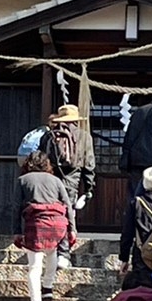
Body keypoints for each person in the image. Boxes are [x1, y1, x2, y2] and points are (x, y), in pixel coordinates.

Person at [14, 149, 76, 301]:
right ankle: (48, 286)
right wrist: (72, 229)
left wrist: (16, 231)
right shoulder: (56, 181)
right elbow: (67, 204)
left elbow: (16, 208)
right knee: (52, 253)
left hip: (36, 224)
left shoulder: (23, 180)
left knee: (34, 266)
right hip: (58, 224)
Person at [44, 103, 96, 267]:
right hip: (71, 179)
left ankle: (50, 249)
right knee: (67, 215)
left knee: (51, 214)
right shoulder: (84, 136)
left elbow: (41, 159)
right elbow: (89, 165)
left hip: (51, 179)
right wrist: (89, 188)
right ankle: (63, 254)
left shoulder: (49, 135)